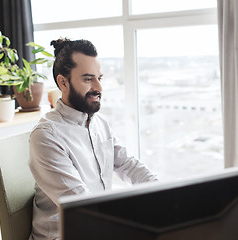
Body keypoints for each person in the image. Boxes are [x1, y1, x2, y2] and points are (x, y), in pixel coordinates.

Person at [28, 38, 158, 240]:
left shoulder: (100, 123)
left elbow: (128, 165)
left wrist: (163, 193)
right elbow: (81, 206)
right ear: (63, 82)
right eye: (88, 79)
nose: (99, 87)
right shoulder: (46, 136)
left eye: (99, 78)